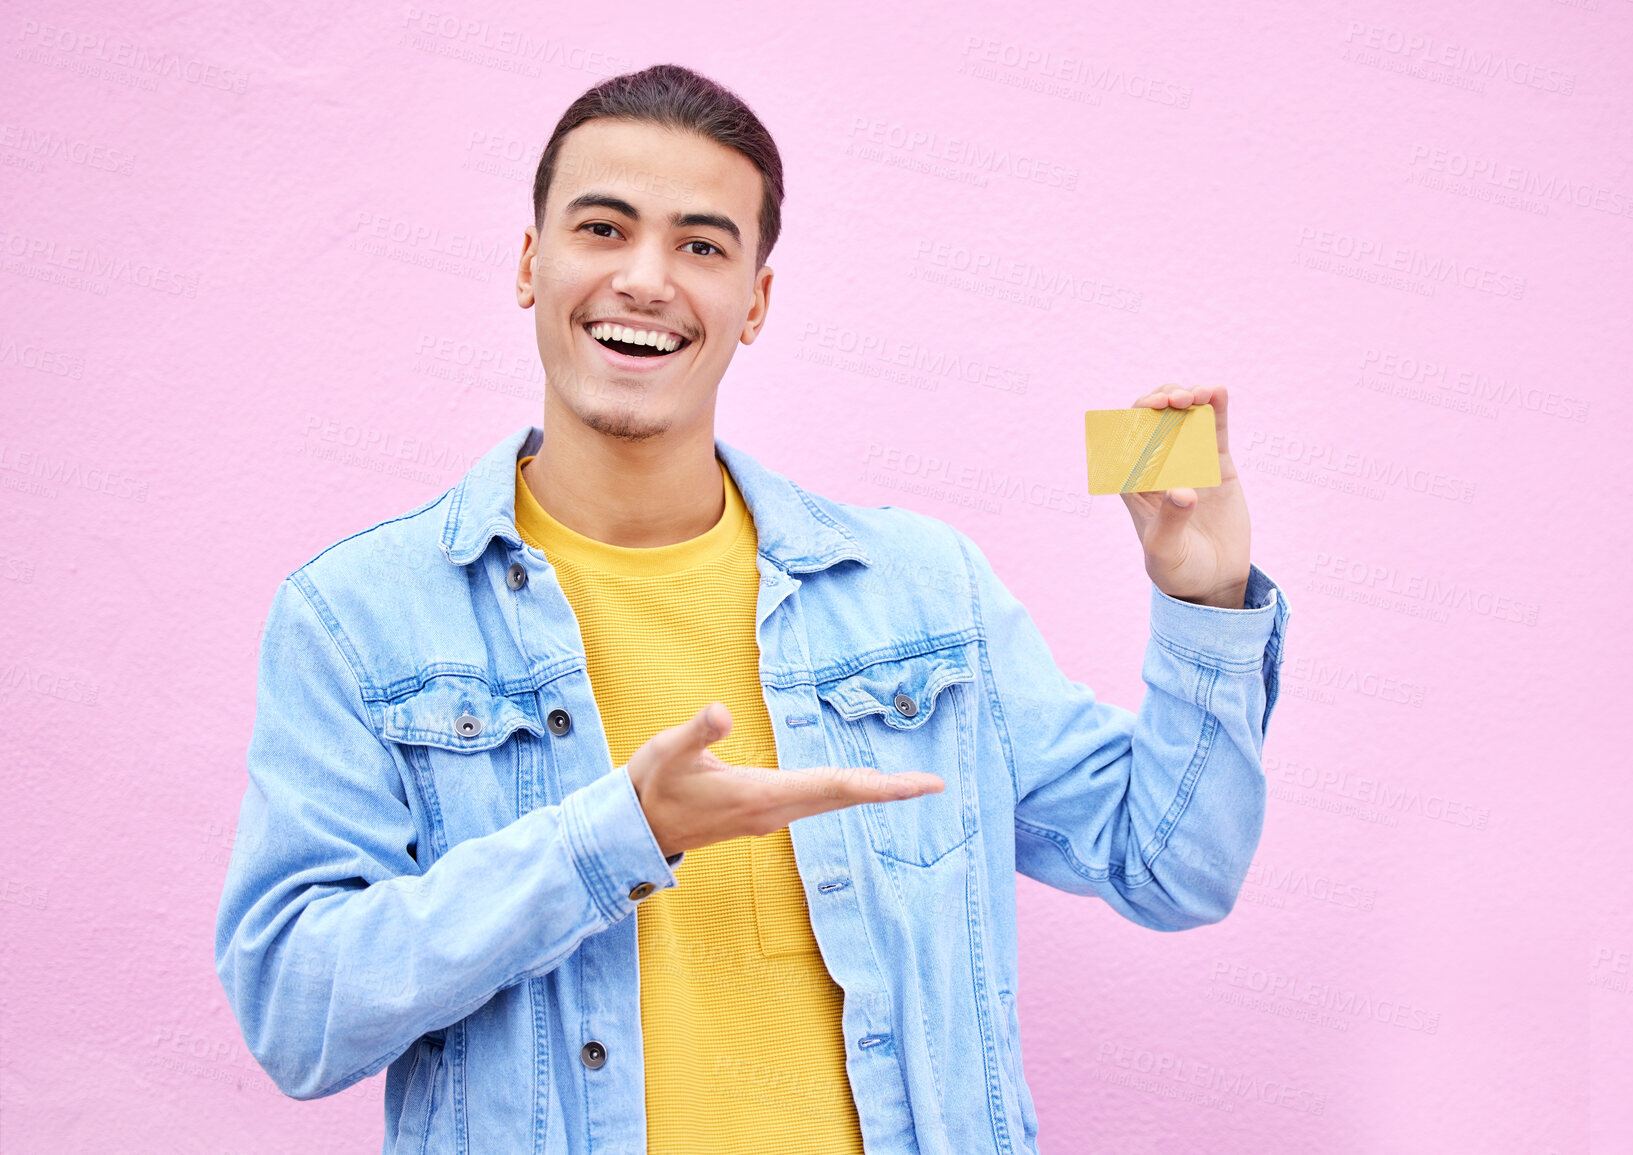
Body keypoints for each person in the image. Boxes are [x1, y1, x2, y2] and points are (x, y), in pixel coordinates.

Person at [214, 63, 1291, 1155]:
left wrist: (1201, 599)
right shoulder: (358, 618)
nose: (645, 279)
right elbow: (298, 1015)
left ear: (756, 302)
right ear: (531, 266)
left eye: (701, 245)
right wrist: (615, 838)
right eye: (603, 228)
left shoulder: (920, 594)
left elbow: (1173, 867)